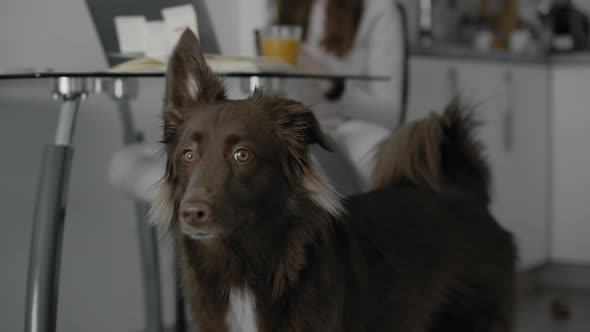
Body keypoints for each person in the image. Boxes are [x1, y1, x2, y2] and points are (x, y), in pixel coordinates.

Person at [271, 0, 404, 190]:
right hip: (302, 129)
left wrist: (333, 87)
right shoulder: (289, 7)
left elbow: (390, 114)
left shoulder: (378, 11)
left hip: (354, 130)